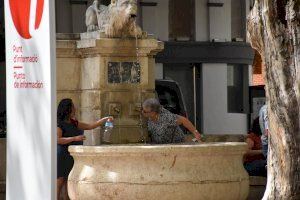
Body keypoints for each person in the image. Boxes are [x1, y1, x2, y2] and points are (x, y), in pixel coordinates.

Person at [57, 98, 112, 200]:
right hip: (62, 155)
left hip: (72, 156)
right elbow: (58, 140)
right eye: (73, 107)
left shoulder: (74, 122)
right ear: (67, 109)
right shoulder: (59, 124)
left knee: (68, 181)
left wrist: (103, 120)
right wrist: (74, 138)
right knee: (60, 180)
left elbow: (90, 126)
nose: (75, 109)